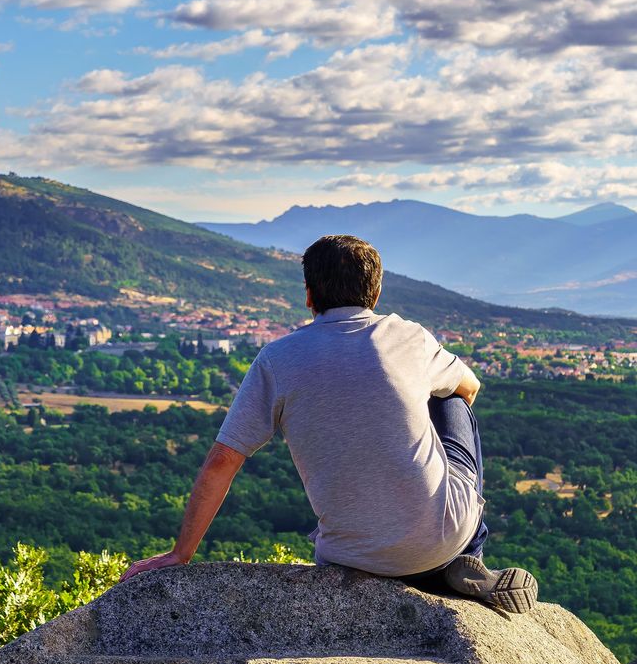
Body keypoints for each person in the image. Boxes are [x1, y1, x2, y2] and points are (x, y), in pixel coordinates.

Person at [120, 234, 538, 614]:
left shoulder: (277, 359)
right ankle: (468, 558)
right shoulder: (409, 336)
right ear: (375, 292)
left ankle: (425, 559)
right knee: (451, 400)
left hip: (350, 556)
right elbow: (470, 386)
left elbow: (221, 462)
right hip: (444, 539)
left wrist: (180, 554)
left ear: (309, 295)